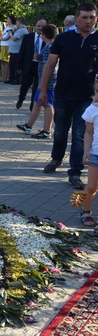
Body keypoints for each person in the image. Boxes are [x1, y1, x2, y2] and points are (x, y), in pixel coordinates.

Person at [38, 3, 98, 190]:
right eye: (84, 17)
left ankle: (75, 172)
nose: (88, 21)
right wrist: (43, 89)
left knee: (80, 134)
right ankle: (56, 158)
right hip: (63, 93)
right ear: (76, 18)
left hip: (87, 97)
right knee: (61, 130)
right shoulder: (63, 38)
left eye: (92, 17)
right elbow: (49, 65)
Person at [16, 24, 57, 138]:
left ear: (43, 36)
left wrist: (43, 84)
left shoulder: (49, 48)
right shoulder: (49, 47)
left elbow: (48, 66)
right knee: (37, 104)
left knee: (47, 105)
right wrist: (39, 57)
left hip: (47, 83)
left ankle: (46, 131)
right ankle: (28, 125)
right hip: (44, 82)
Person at [79, 77, 98, 230]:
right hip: (96, 154)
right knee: (91, 187)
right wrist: (86, 151)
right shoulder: (92, 110)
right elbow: (89, 132)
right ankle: (85, 210)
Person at [16, 19, 48, 110]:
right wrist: (18, 65)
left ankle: (32, 105)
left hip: (40, 66)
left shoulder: (47, 39)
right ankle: (21, 99)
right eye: (38, 26)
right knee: (25, 85)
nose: (40, 28)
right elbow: (22, 51)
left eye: (42, 27)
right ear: (35, 26)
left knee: (36, 87)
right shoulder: (28, 37)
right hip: (28, 64)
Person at [7, 18, 28, 84]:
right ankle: (12, 78)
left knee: (16, 66)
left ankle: (17, 79)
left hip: (17, 51)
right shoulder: (18, 30)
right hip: (13, 51)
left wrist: (10, 33)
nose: (16, 25)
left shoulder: (22, 30)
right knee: (11, 65)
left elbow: (14, 38)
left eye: (17, 23)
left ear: (20, 23)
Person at [0, 17, 15, 82]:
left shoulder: (14, 27)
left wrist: (0, 39)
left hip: (7, 45)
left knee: (6, 62)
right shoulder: (6, 27)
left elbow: (7, 37)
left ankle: (6, 77)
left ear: (11, 20)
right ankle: (2, 76)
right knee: (2, 61)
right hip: (2, 45)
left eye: (8, 18)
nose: (7, 20)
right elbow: (1, 36)